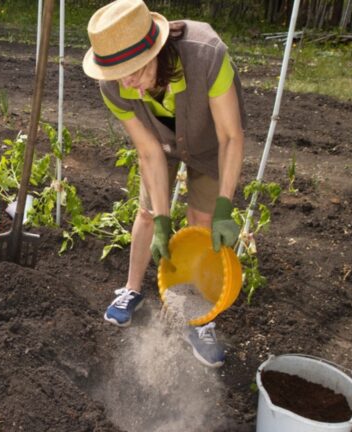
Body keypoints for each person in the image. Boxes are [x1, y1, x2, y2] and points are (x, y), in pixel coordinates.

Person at [82, 0, 245, 368]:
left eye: (134, 72)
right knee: (146, 213)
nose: (127, 85)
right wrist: (161, 220)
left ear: (156, 51)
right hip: (161, 140)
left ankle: (198, 318)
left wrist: (224, 206)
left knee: (202, 224)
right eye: (117, 75)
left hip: (209, 141)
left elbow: (231, 137)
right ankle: (132, 289)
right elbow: (149, 152)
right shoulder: (114, 85)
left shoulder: (207, 56)